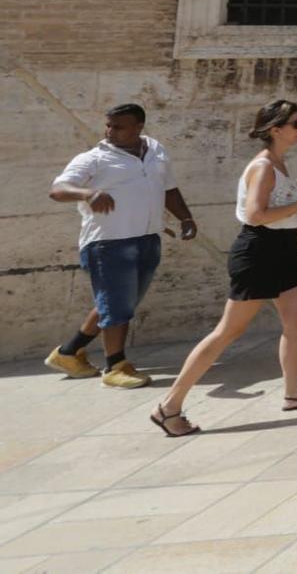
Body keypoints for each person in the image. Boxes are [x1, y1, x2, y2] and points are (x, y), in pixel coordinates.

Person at [149, 100, 297, 437]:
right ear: (275, 129)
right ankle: (168, 407)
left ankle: (294, 393)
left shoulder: (279, 163)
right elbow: (257, 214)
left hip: (285, 250)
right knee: (228, 331)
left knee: (296, 320)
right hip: (259, 252)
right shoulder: (262, 167)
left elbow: (282, 203)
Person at [46, 104, 197, 388]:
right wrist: (88, 192)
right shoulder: (94, 158)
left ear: (139, 127)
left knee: (119, 303)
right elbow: (58, 190)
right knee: (117, 305)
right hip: (108, 243)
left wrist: (185, 218)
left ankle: (68, 352)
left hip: (148, 238)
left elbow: (169, 188)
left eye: (119, 126)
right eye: (109, 125)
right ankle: (115, 366)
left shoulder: (155, 150)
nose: (110, 131)